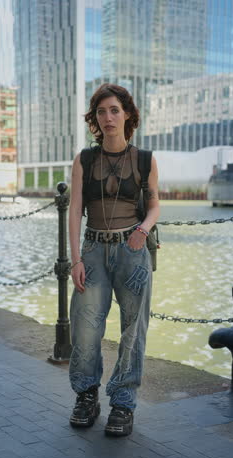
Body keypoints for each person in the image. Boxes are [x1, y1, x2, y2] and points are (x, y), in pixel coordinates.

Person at [68, 83, 160, 436]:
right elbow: (75, 209)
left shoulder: (145, 160)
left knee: (133, 329)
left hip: (132, 250)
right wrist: (75, 259)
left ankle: (123, 403)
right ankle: (87, 395)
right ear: (95, 119)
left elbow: (153, 205)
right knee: (87, 328)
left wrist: (143, 230)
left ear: (128, 115)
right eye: (101, 112)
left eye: (114, 110)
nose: (108, 118)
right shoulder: (84, 159)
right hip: (92, 250)